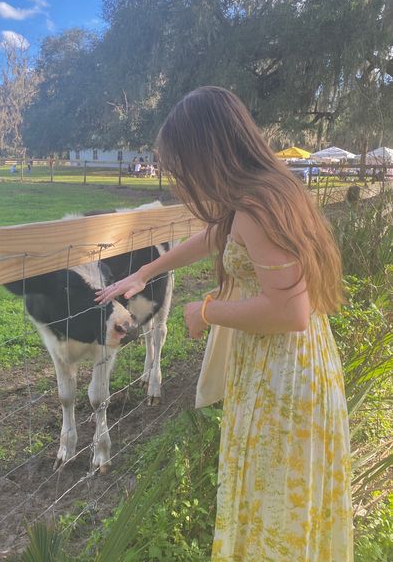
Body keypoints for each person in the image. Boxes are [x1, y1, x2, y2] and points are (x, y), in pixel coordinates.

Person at [96, 86, 353, 561]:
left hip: (283, 381)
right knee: (284, 512)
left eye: (184, 165)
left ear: (209, 152)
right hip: (292, 367)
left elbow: (288, 312)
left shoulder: (258, 206)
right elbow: (220, 233)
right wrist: (147, 270)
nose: (183, 179)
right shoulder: (263, 193)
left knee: (274, 515)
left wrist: (206, 312)